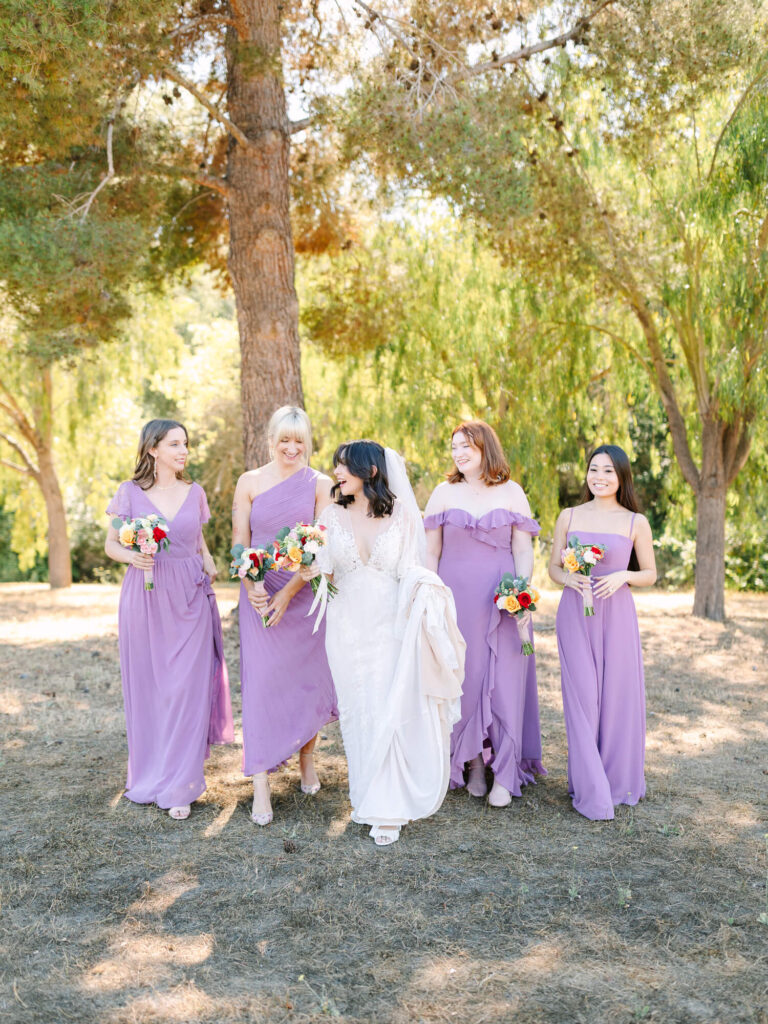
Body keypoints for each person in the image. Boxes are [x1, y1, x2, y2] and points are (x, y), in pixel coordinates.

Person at [301, 440, 464, 847]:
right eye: (336, 466)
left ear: (371, 471)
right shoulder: (329, 514)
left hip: (390, 624)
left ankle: (388, 805)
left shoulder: (405, 516)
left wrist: (426, 594)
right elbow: (322, 572)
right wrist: (303, 564)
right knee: (358, 708)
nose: (337, 473)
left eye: (345, 467)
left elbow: (412, 569)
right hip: (345, 626)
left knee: (388, 704)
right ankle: (366, 795)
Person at [105, 419, 233, 820]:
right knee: (150, 688)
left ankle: (181, 783)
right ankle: (150, 774)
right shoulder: (129, 493)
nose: (183, 451)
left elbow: (197, 539)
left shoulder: (195, 492)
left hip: (191, 594)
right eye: (175, 444)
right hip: (145, 597)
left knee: (187, 688)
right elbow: (111, 543)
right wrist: (133, 555)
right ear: (152, 449)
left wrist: (210, 563)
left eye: (186, 444)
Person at [423, 420, 545, 807]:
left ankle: (506, 775)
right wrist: (429, 594)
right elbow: (431, 551)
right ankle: (474, 763)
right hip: (456, 598)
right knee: (466, 676)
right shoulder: (443, 493)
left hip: (502, 599)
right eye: (454, 446)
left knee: (506, 682)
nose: (459, 453)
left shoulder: (512, 493)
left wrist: (521, 592)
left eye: (467, 447)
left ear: (485, 448)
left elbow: (523, 549)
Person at [232, 406, 338, 826]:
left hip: (302, 594)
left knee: (306, 681)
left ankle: (307, 761)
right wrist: (253, 586)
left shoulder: (321, 485)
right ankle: (260, 781)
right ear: (271, 440)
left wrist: (289, 590)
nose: (292, 448)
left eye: (300, 441)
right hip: (258, 594)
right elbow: (240, 543)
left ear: (307, 442)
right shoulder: (249, 482)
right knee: (260, 683)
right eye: (284, 440)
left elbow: (322, 547)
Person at [548, 444, 656, 820]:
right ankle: (590, 786)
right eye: (594, 469)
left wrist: (624, 574)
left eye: (608, 471)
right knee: (583, 698)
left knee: (615, 699)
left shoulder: (635, 522)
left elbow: (650, 574)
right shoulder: (569, 516)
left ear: (621, 476)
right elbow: (553, 569)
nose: (599, 477)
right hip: (576, 613)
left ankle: (615, 781)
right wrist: (570, 578)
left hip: (618, 615)